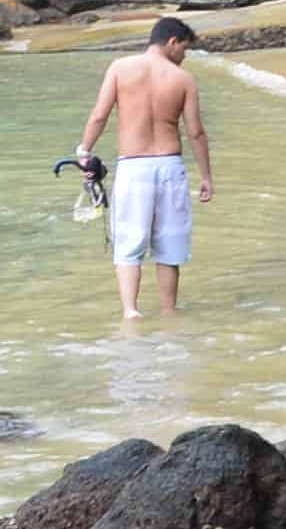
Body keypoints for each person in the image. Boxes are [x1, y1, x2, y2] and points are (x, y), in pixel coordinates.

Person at [75, 16, 214, 320]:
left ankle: (130, 312)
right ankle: (168, 312)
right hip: (169, 166)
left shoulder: (120, 68)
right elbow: (196, 133)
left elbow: (99, 115)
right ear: (172, 42)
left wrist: (84, 151)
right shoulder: (183, 79)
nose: (184, 58)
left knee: (128, 244)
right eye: (185, 50)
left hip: (133, 168)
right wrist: (206, 177)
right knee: (169, 246)